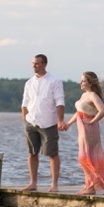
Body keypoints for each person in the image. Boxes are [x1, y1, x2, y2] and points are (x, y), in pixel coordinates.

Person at [21, 54, 65, 192]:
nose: (34, 65)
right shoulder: (29, 83)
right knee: (32, 153)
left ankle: (54, 184)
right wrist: (25, 121)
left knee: (52, 153)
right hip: (31, 122)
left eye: (37, 63)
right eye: (33, 63)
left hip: (49, 122)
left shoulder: (54, 81)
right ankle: (33, 183)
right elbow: (25, 104)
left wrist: (60, 120)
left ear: (44, 64)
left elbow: (60, 102)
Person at [63, 71, 104, 195]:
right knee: (84, 156)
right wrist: (68, 124)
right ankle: (89, 185)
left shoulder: (93, 95)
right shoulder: (84, 95)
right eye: (81, 80)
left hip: (90, 129)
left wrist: (92, 121)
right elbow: (79, 113)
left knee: (86, 156)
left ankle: (92, 186)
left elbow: (103, 111)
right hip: (81, 129)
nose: (81, 83)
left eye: (83, 80)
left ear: (90, 82)